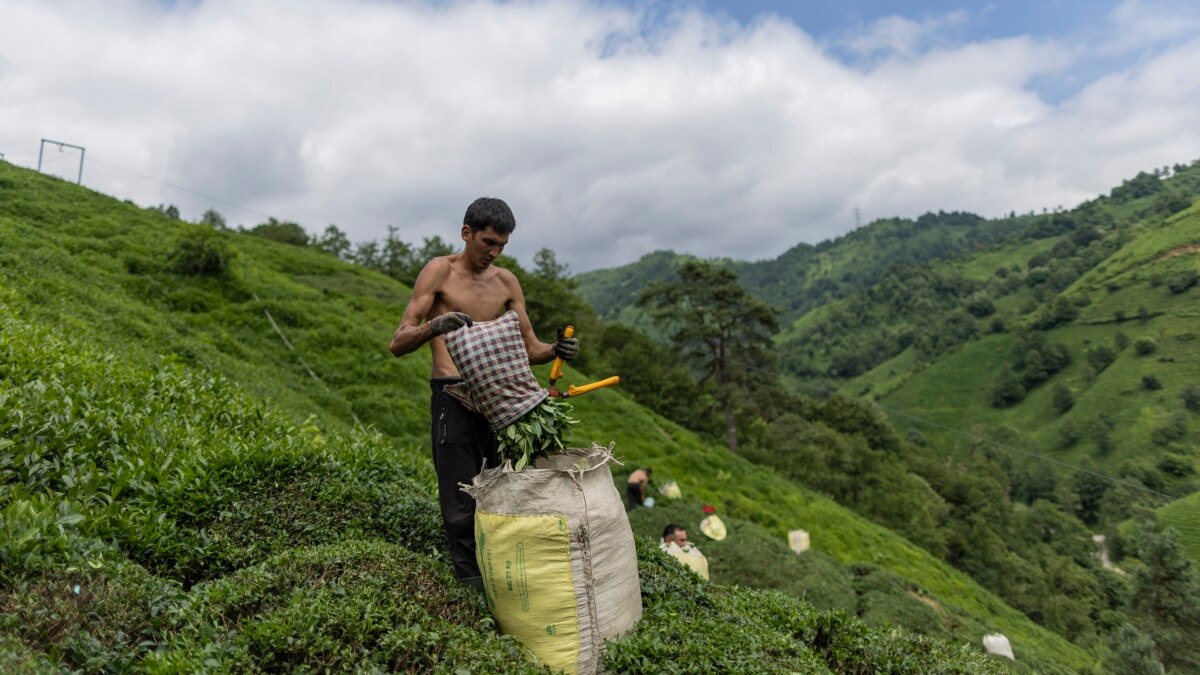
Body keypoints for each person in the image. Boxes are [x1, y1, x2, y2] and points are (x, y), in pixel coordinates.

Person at [388, 196, 579, 587]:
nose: (494, 252)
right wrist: (435, 327)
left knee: (504, 488)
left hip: (499, 399)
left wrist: (557, 349)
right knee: (460, 496)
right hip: (452, 394)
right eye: (487, 243)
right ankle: (471, 584)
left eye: (502, 246)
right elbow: (399, 342)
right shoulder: (439, 272)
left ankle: (505, 576)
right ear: (466, 233)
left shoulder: (506, 282)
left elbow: (531, 349)